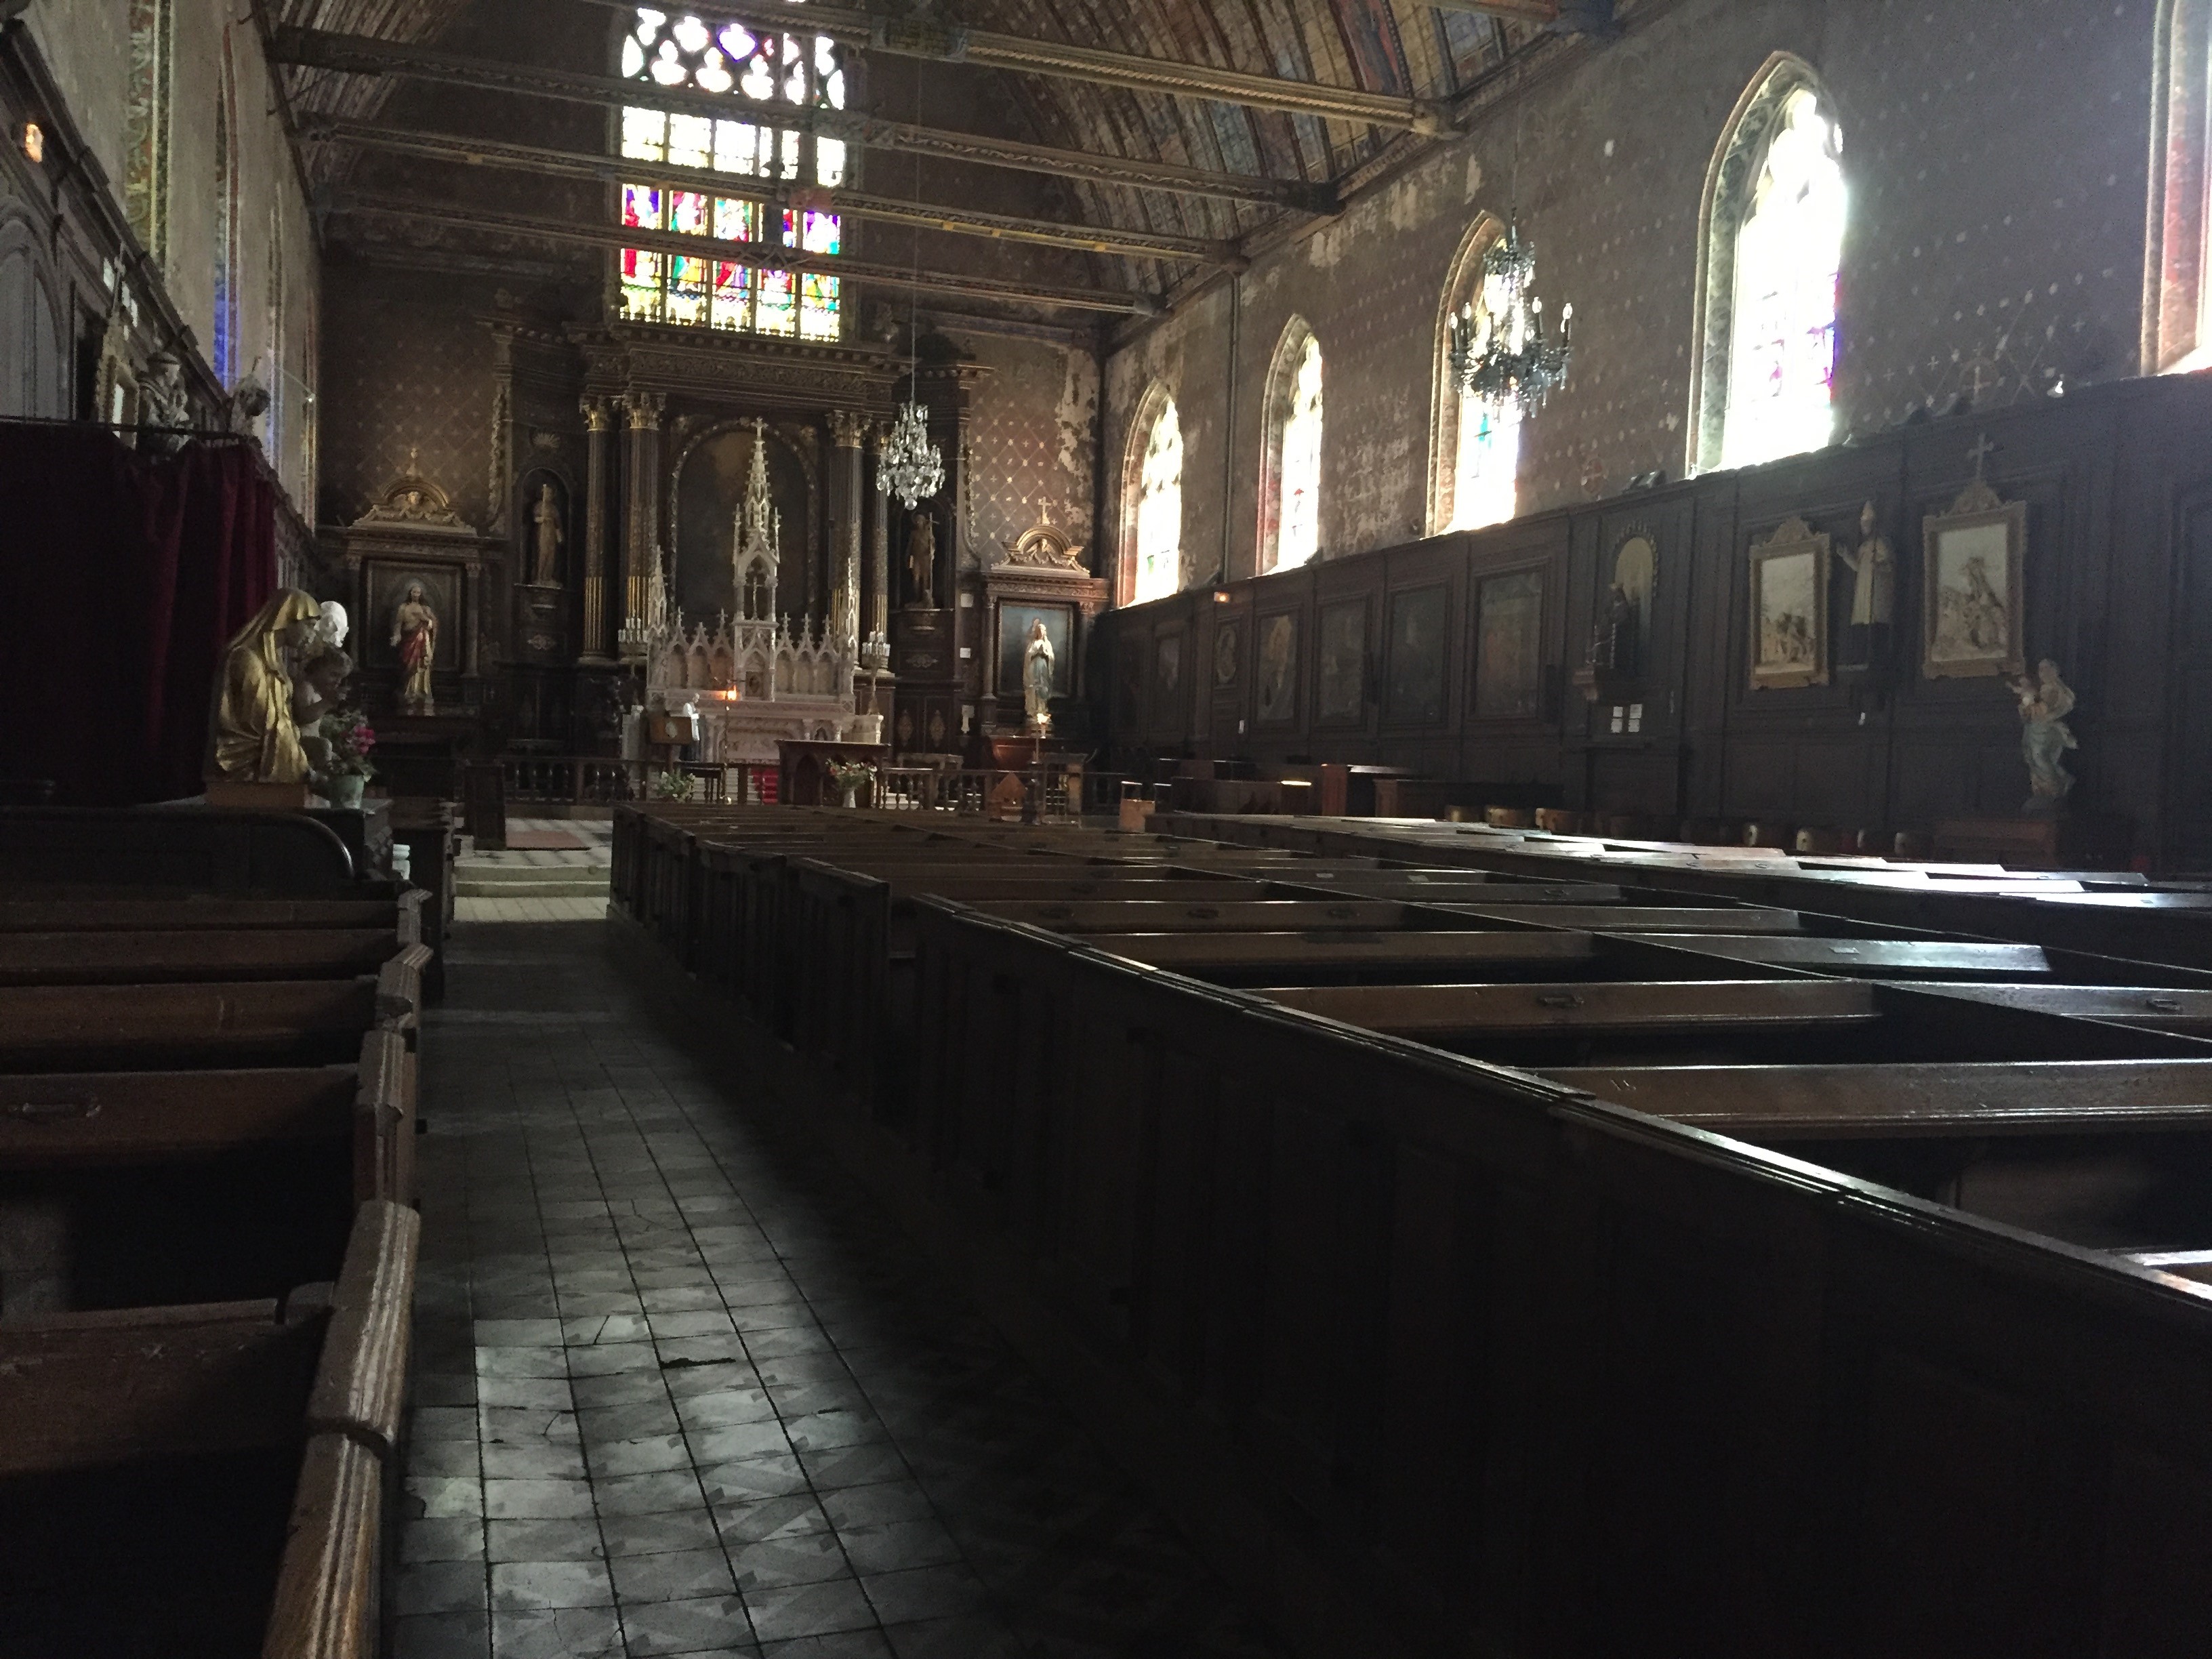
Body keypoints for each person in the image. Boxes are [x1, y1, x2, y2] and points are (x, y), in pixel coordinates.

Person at [205, 589, 323, 784]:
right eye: (309, 626)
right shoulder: (248, 659)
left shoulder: (274, 663)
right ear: (288, 617)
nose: (312, 635)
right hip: (247, 766)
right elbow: (265, 722)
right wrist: (301, 765)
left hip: (274, 754)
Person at [392, 581, 438, 714]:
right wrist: (396, 636)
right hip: (408, 639)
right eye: (414, 592)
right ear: (410, 593)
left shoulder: (425, 609)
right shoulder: (403, 608)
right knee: (408, 665)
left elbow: (433, 623)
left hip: (422, 639)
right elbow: (398, 624)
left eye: (418, 592)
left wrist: (429, 622)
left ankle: (421, 691)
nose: (416, 595)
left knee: (422, 663)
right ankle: (408, 691)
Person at [1023, 619, 1056, 735]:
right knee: (1034, 687)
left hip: (1043, 668)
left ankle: (1042, 710)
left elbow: (1051, 658)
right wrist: (1036, 652)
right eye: (1039, 631)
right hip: (1034, 668)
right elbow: (1028, 656)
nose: (1041, 633)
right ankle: (1033, 711)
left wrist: (1045, 653)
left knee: (1043, 687)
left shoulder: (1047, 644)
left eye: (1043, 631)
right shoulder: (1033, 643)